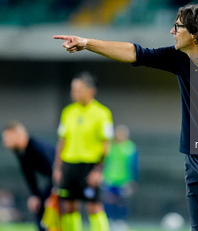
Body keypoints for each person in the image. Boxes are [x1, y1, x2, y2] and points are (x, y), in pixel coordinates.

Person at [53, 3, 198, 231]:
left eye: (178, 26)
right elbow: (134, 52)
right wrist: (87, 43)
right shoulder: (179, 58)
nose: (172, 31)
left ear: (197, 32)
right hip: (194, 163)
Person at [53, 71, 114, 231]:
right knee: (69, 206)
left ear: (91, 91)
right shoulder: (68, 112)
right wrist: (58, 168)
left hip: (89, 165)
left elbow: (106, 144)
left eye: (78, 89)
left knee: (93, 207)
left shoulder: (103, 113)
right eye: (73, 89)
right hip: (69, 165)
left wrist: (98, 170)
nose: (74, 93)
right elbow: (62, 140)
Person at [2, 121, 55, 231]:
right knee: (38, 205)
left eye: (8, 138)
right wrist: (35, 195)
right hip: (54, 181)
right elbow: (29, 175)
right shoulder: (21, 153)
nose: (5, 142)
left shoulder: (37, 148)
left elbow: (55, 173)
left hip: (65, 180)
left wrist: (52, 194)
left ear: (18, 135)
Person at [102, 124, 138, 231]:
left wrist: (133, 180)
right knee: (109, 200)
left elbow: (134, 165)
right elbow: (104, 162)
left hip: (124, 179)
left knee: (122, 201)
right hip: (110, 178)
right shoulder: (109, 146)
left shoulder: (130, 147)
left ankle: (120, 221)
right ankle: (110, 221)